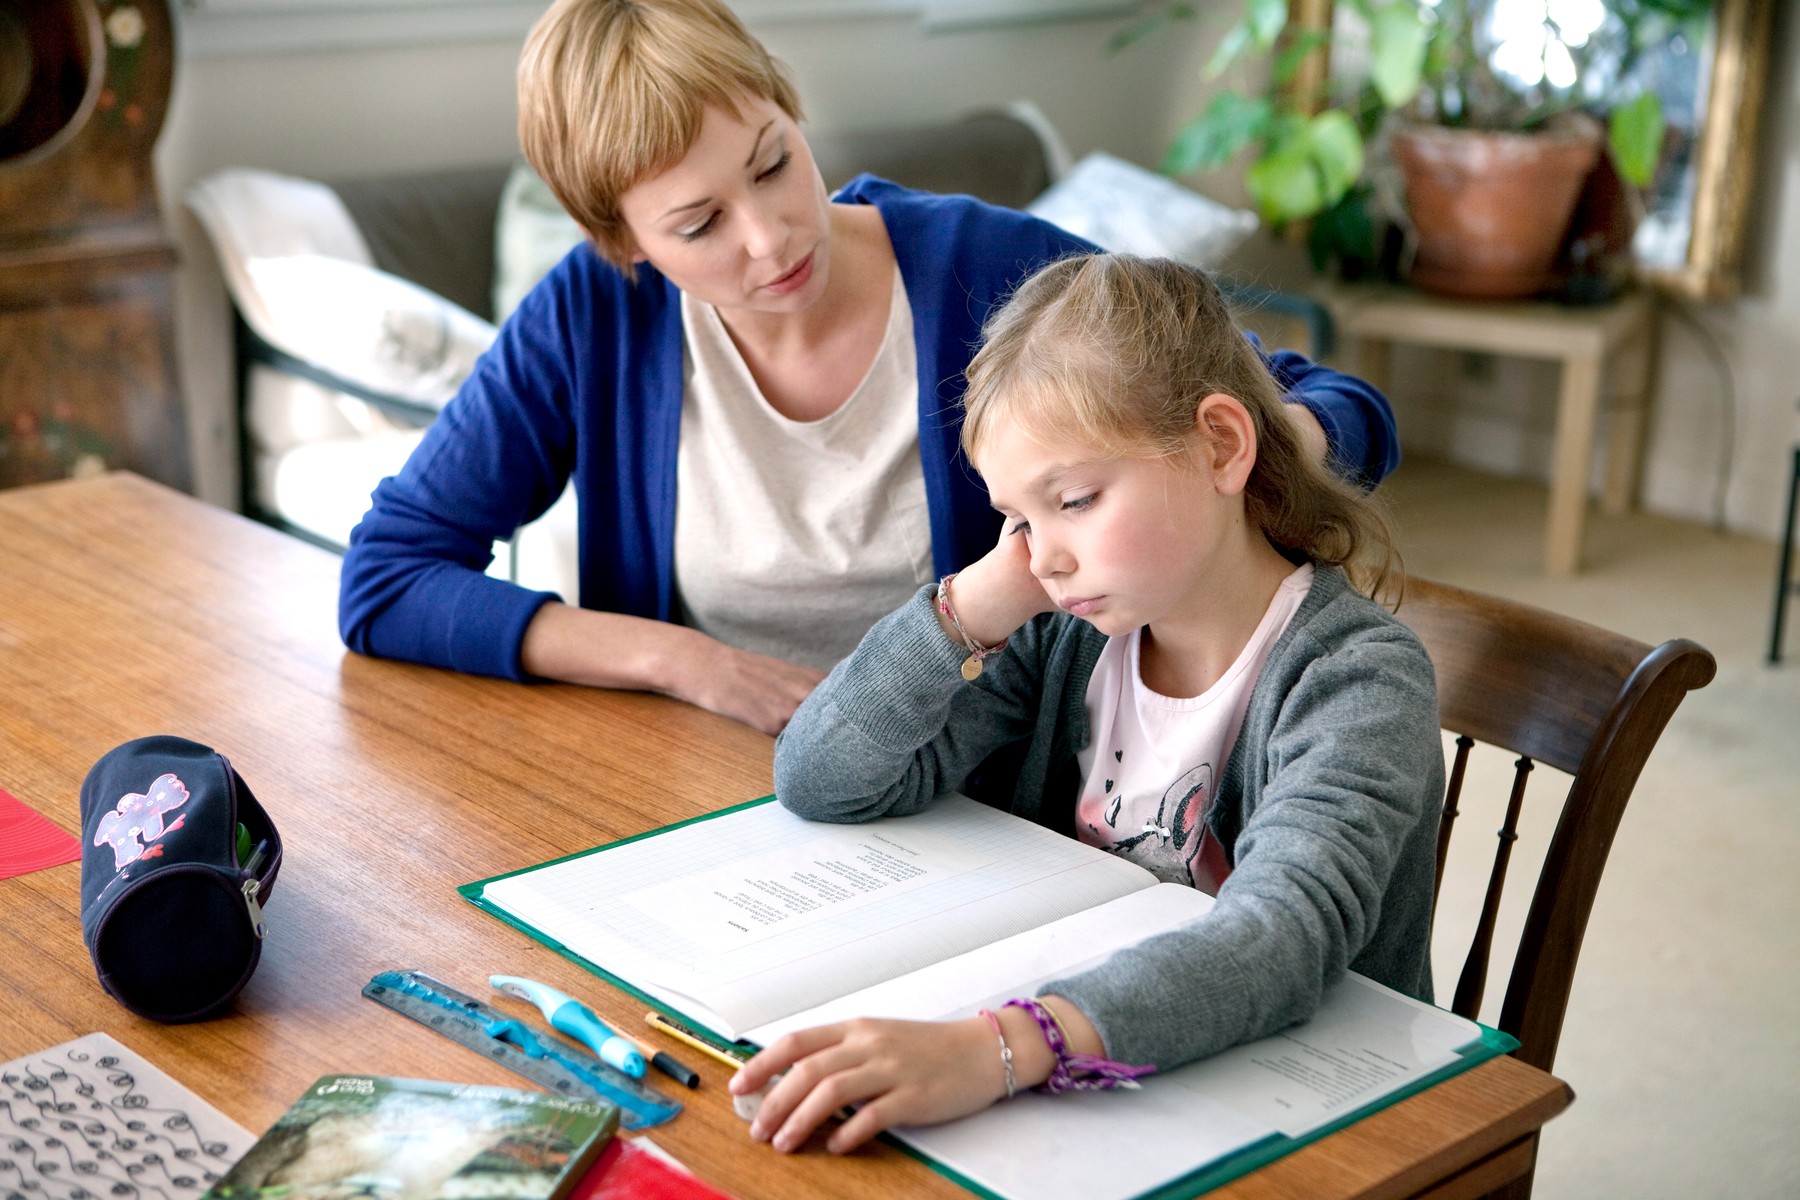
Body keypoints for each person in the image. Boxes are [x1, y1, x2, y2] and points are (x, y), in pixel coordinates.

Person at [337, 0, 1401, 736]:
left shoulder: (983, 270)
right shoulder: (592, 316)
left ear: (791, 111)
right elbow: (386, 578)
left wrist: (1251, 459)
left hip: (984, 797)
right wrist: (690, 665)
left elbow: (1332, 406)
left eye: (773, 162)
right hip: (695, 786)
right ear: (627, 245)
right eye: (701, 223)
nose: (772, 237)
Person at [732, 253, 1445, 1153]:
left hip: (1315, 1115)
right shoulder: (1064, 635)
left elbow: (1280, 936)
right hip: (1100, 1094)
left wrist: (993, 1047)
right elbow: (820, 778)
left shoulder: (1357, 679)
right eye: (1019, 519)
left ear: (1221, 446)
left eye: (1073, 500)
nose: (1045, 557)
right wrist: (974, 603)